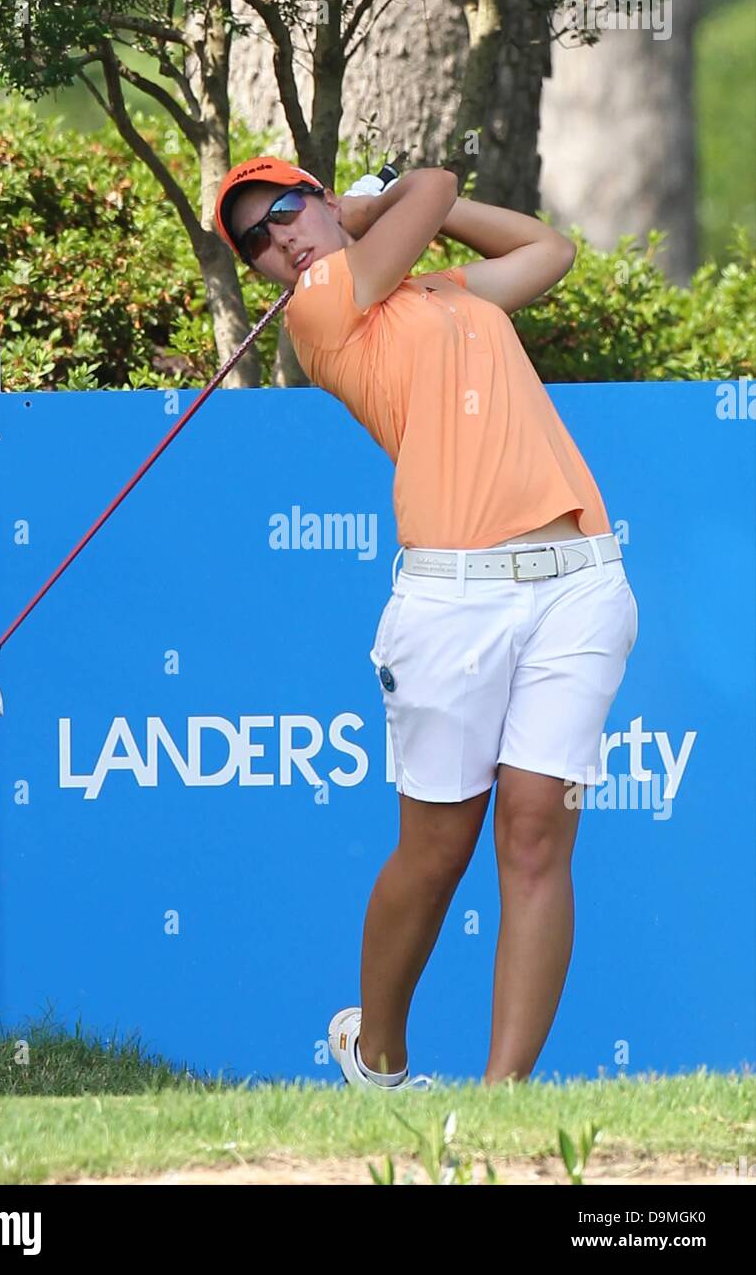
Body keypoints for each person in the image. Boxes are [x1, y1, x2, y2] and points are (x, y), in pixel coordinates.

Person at [214, 155, 639, 1092]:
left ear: (319, 197)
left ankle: (503, 1100)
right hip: (454, 596)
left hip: (577, 578)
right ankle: (378, 1056)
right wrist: (380, 204)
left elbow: (547, 249)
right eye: (258, 240)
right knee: (438, 845)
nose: (279, 237)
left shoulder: (444, 290)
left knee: (537, 836)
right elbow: (438, 183)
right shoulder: (323, 306)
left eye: (287, 209)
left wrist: (385, 211)